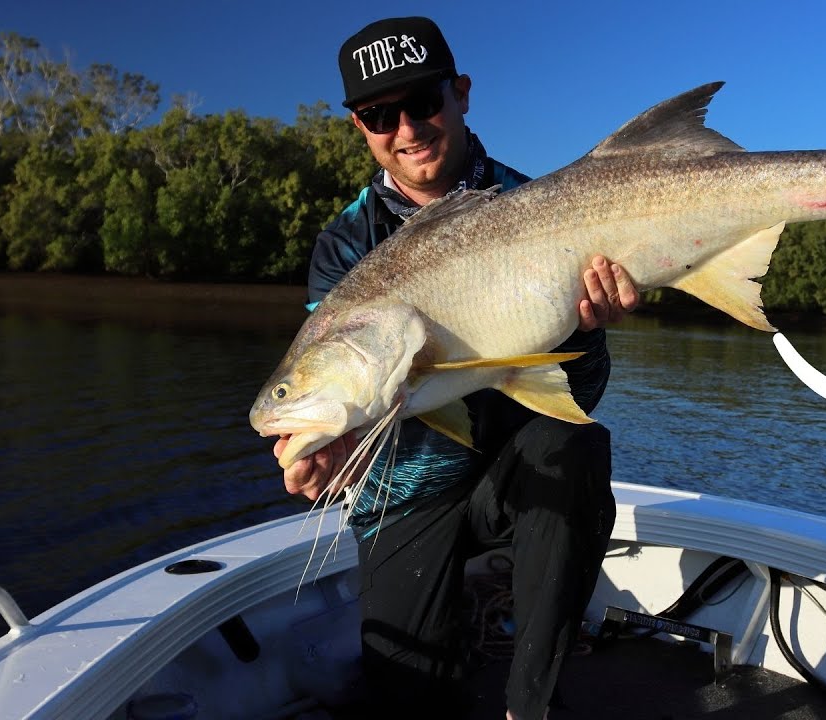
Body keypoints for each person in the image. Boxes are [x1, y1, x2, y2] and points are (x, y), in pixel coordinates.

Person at [271, 16, 639, 720]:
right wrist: (336, 454)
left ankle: (531, 704)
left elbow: (579, 393)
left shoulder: (543, 209)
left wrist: (589, 333)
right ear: (359, 126)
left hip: (515, 477)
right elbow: (348, 394)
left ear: (462, 93)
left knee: (576, 446)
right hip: (407, 493)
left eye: (423, 102)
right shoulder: (346, 244)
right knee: (407, 699)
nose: (406, 128)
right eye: (380, 114)